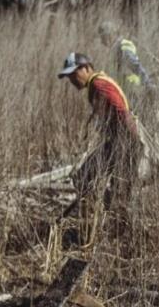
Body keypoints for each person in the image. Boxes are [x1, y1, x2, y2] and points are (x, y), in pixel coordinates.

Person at [58, 52, 139, 207]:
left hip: (125, 140)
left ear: (87, 68)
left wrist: (129, 144)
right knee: (86, 177)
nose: (72, 80)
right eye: (69, 77)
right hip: (119, 140)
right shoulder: (96, 84)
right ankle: (95, 214)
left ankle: (102, 216)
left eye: (74, 74)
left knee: (117, 192)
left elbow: (121, 110)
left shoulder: (98, 84)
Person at [98, 21, 155, 95]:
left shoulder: (123, 46)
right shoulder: (114, 49)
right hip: (125, 90)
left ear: (109, 35)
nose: (102, 41)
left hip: (135, 90)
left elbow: (136, 66)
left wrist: (148, 83)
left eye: (103, 38)